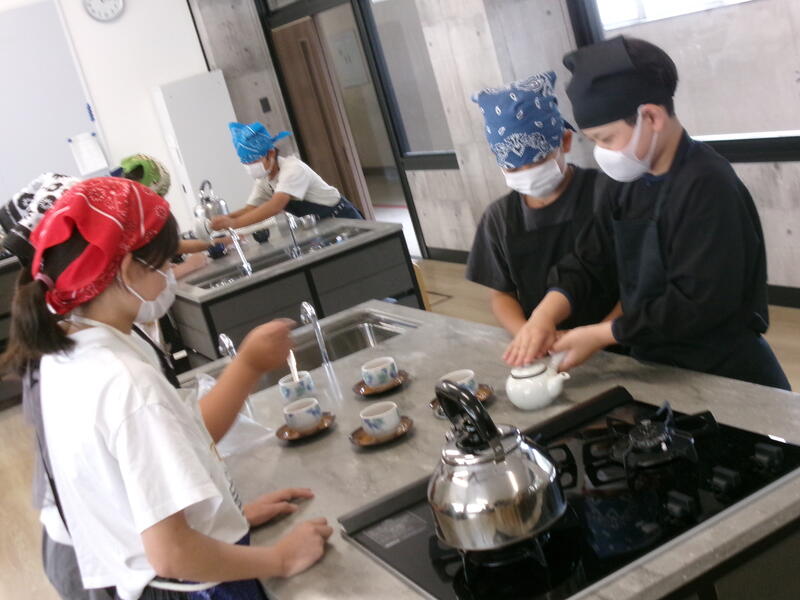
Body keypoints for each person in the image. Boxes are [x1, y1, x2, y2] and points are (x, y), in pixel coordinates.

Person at [0, 178, 333, 599]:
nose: (170, 276)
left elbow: (133, 488)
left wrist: (224, 522)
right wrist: (280, 558)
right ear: (126, 270)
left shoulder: (65, 349)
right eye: (166, 263)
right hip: (189, 587)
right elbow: (172, 553)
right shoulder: (126, 383)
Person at [503, 36, 790, 391]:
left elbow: (698, 304)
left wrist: (601, 334)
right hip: (654, 361)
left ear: (651, 116)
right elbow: (590, 259)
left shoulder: (708, 185)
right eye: (594, 141)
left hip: (722, 369)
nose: (602, 153)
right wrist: (544, 315)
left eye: (607, 139)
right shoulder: (627, 181)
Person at [466, 71, 619, 335]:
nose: (527, 172)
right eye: (513, 168)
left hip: (616, 340)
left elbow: (640, 282)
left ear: (565, 142)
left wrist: (599, 336)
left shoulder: (606, 193)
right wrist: (527, 334)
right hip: (541, 343)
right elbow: (501, 294)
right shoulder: (499, 218)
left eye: (538, 161)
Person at [210, 122, 363, 232]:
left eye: (254, 161)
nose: (250, 166)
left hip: (343, 219)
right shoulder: (264, 180)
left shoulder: (293, 169)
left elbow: (276, 205)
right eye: (246, 163)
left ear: (270, 153)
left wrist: (234, 223)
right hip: (323, 226)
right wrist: (225, 220)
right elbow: (250, 209)